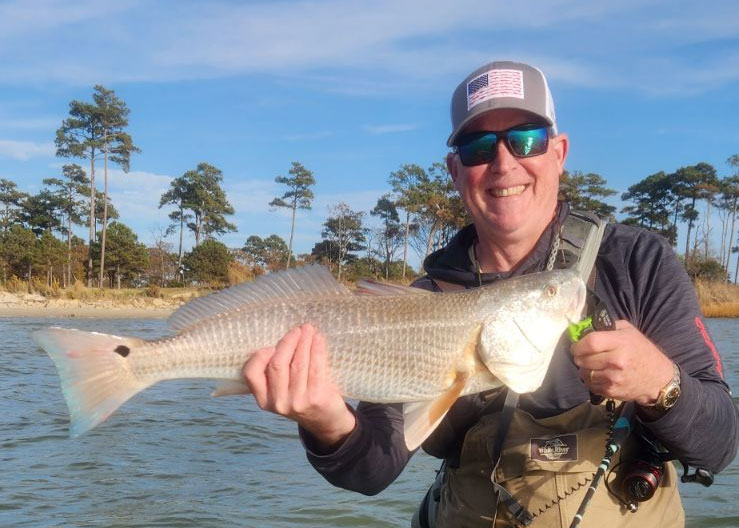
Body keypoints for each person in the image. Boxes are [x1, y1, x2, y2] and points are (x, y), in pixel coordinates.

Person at [242, 60, 738, 527]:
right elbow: (373, 471)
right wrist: (326, 421)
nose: (504, 163)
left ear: (559, 153)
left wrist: (660, 381)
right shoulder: (422, 301)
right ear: (456, 171)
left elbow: (720, 444)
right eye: (479, 147)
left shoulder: (636, 262)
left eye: (527, 139)